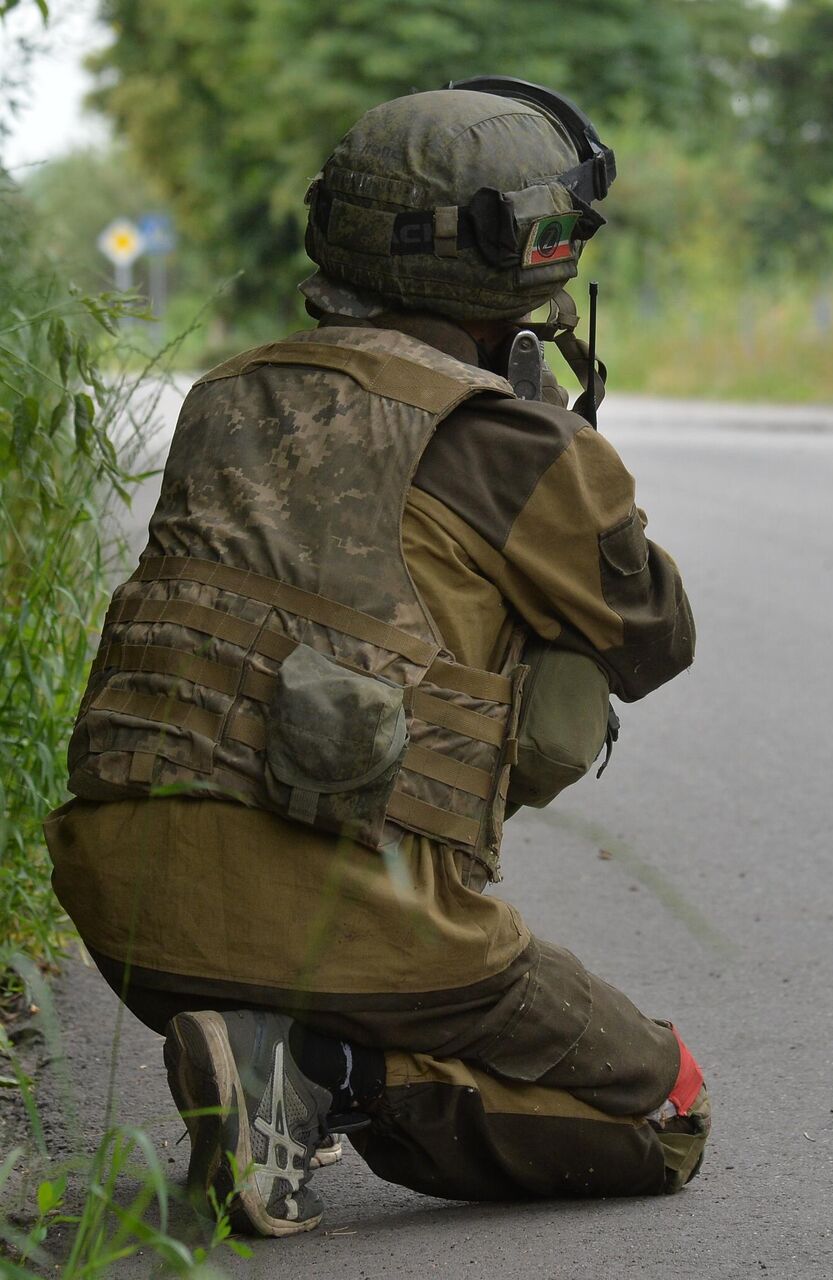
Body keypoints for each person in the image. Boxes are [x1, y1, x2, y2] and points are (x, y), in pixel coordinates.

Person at [43, 79, 707, 1237]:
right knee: (668, 1109)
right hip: (365, 922)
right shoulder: (511, 437)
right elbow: (651, 639)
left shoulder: (221, 395)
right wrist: (562, 441)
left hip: (128, 907)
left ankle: (275, 1070)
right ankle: (333, 1072)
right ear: (525, 256)